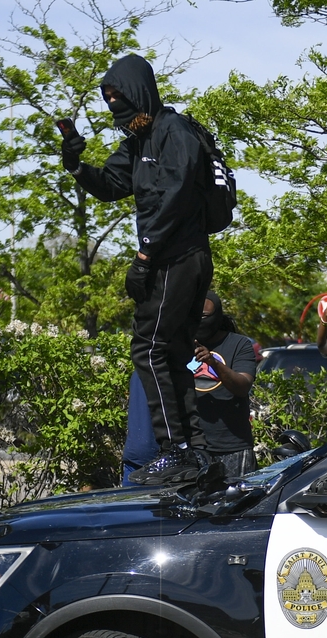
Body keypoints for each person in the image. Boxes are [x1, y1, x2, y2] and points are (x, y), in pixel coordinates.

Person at [62, 53, 213, 485]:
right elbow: (110, 186)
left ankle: (175, 449)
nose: (116, 109)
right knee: (175, 351)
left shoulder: (174, 131)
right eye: (109, 101)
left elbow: (178, 195)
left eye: (120, 98)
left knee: (148, 349)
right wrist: (75, 163)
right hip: (168, 256)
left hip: (180, 256)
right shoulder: (137, 141)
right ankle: (194, 452)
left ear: (141, 92)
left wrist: (145, 256)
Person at [190, 291, 258, 481]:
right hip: (195, 446)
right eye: (196, 316)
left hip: (232, 446)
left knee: (235, 507)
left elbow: (243, 385)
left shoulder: (239, 344)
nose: (200, 321)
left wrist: (214, 363)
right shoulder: (182, 344)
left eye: (205, 316)